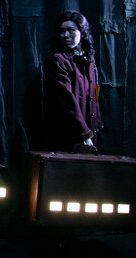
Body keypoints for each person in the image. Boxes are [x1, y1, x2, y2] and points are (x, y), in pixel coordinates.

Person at [41, 10, 100, 153]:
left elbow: (94, 96)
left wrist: (95, 126)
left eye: (70, 30)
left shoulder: (88, 61)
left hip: (89, 135)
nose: (66, 35)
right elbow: (67, 100)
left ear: (82, 33)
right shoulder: (57, 61)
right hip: (69, 136)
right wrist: (84, 133)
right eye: (62, 31)